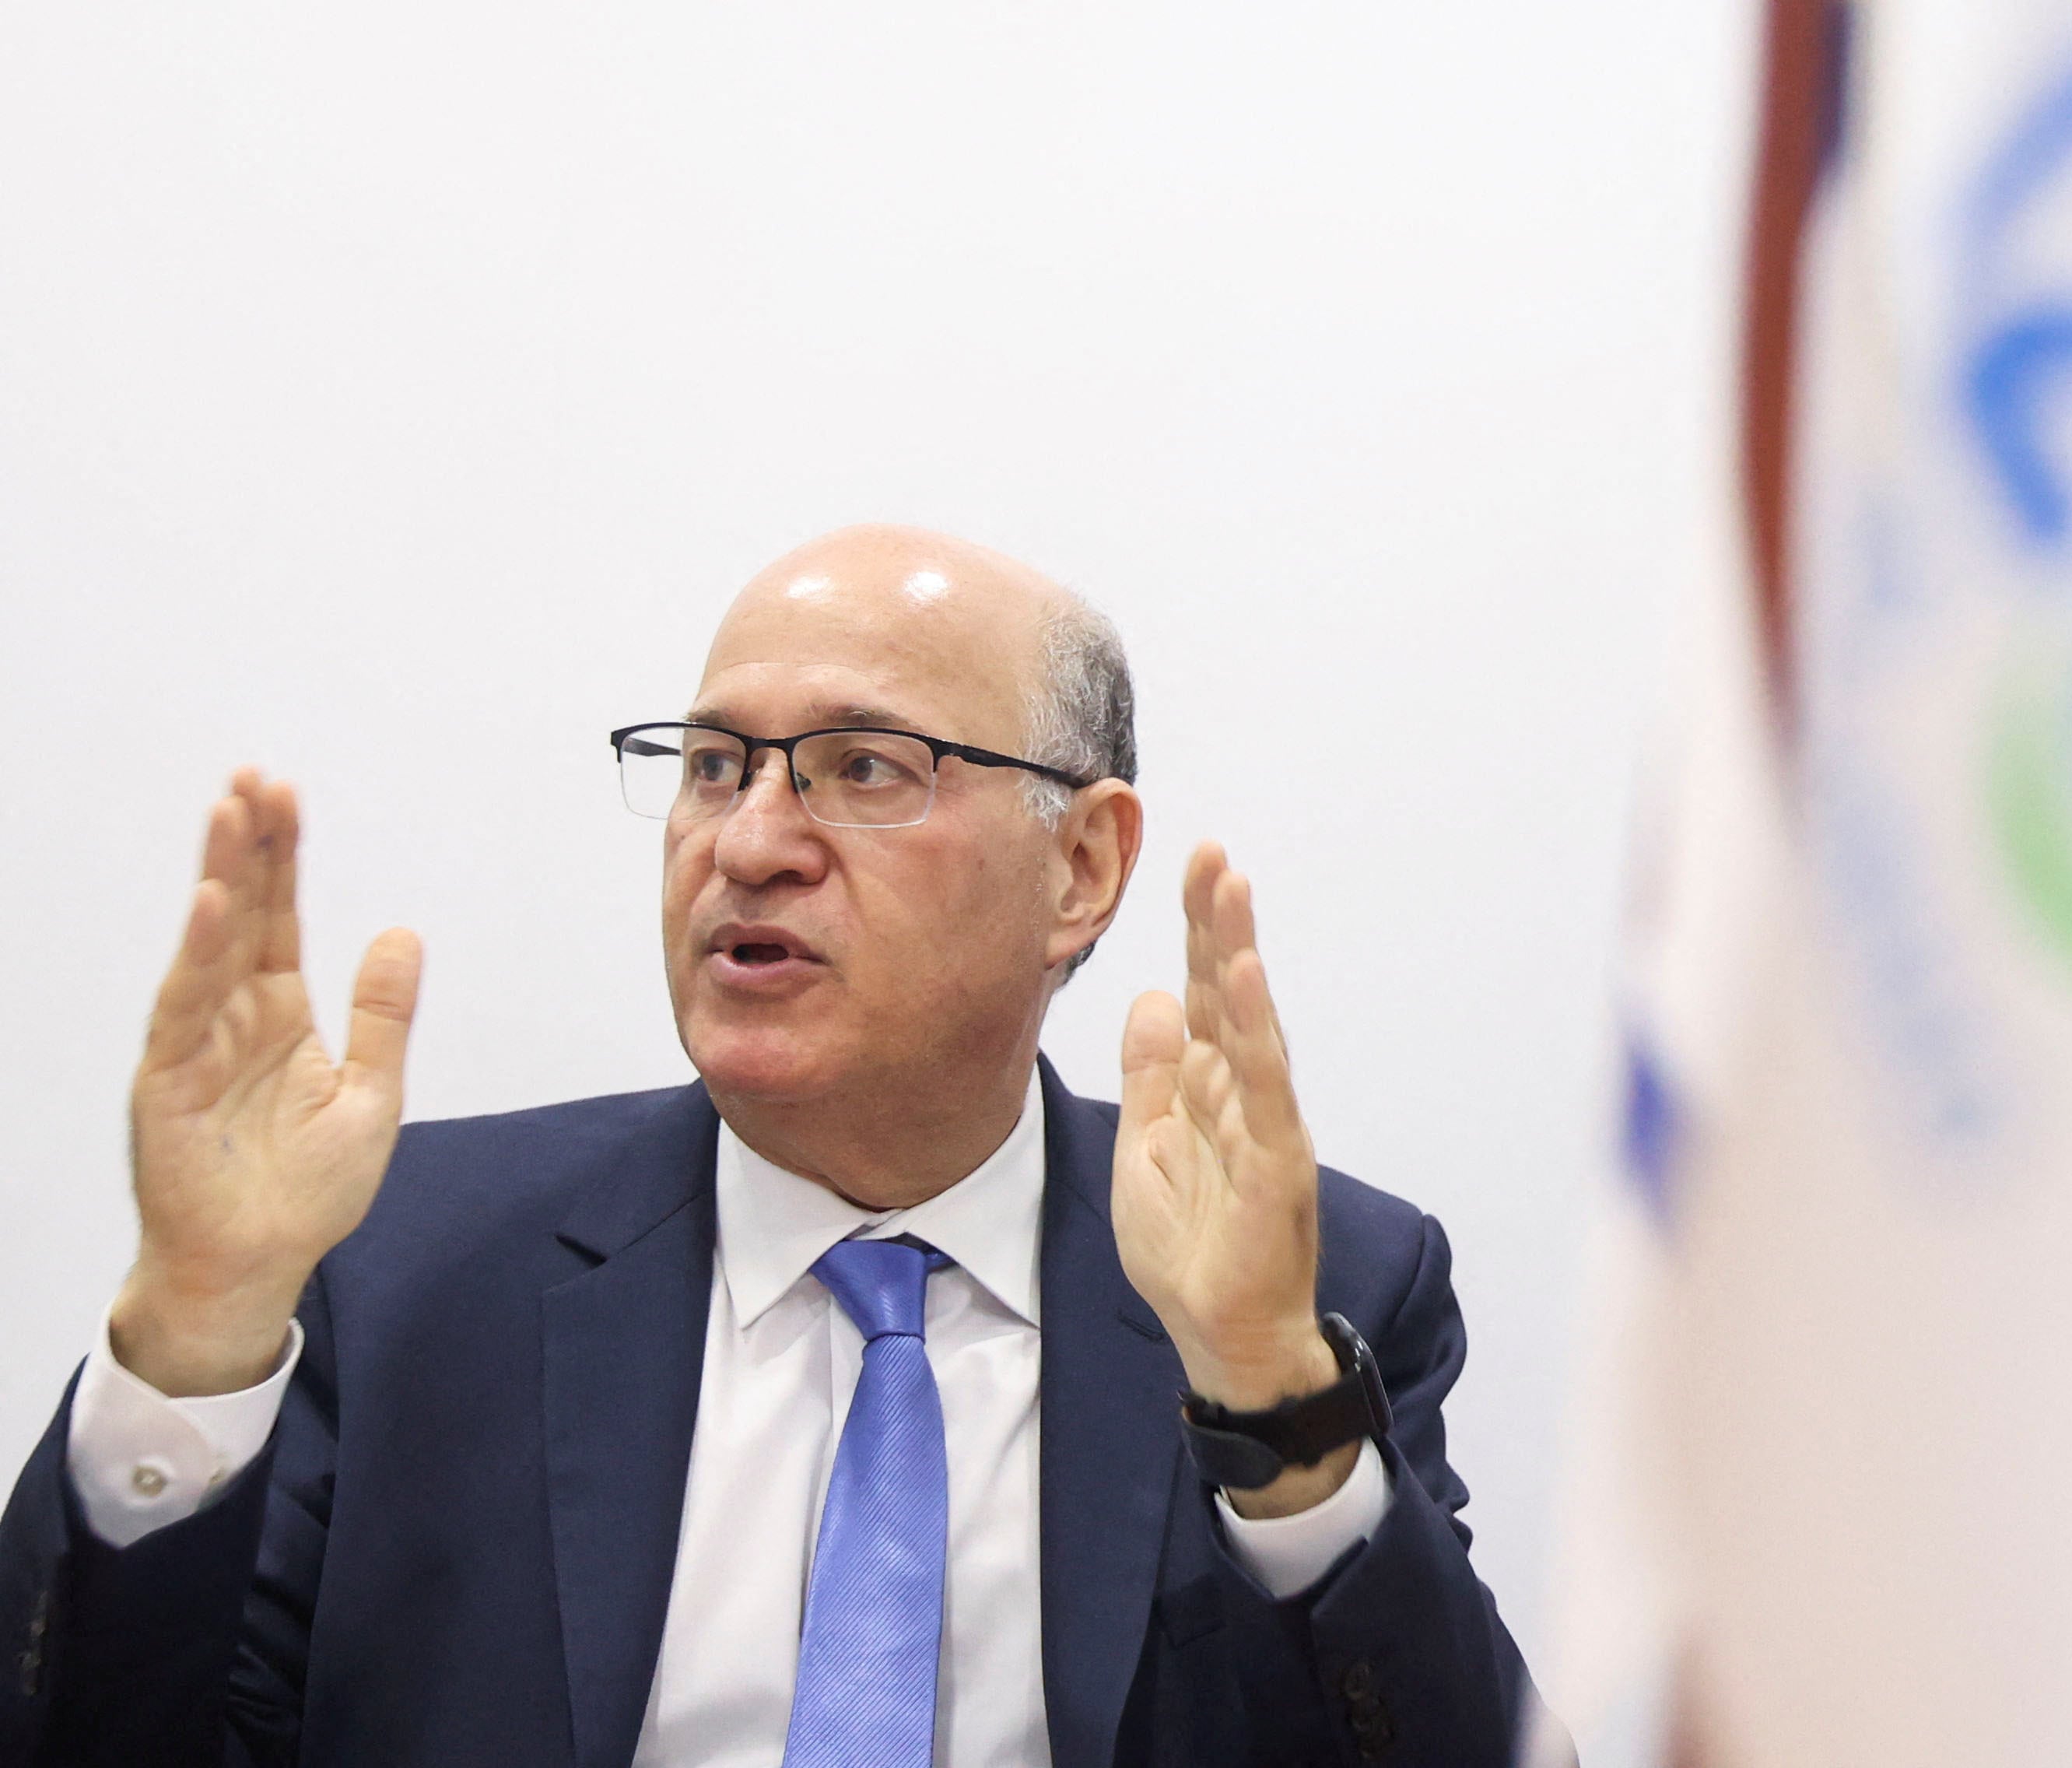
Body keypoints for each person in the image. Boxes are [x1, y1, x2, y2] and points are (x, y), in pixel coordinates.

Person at [0, 525, 1535, 1766]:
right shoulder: (397, 1267)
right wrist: (191, 1339)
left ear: (1080, 865)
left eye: (864, 768)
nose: (746, 842)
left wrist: (1268, 1400)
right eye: (715, 765)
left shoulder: (1309, 1290)